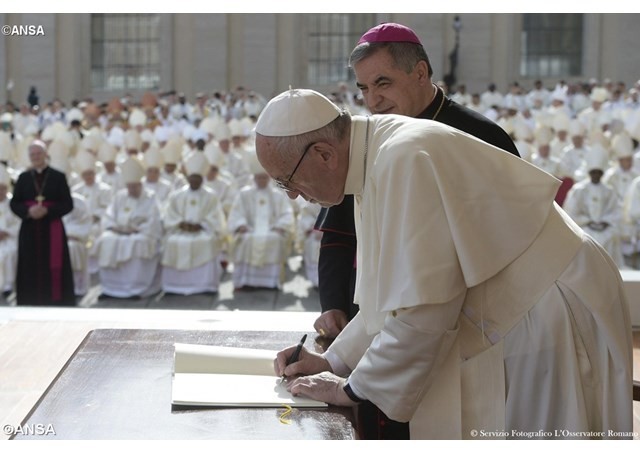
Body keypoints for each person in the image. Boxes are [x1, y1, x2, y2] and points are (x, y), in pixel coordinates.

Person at [256, 88, 632, 440]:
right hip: (521, 303)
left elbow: (424, 308)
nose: (291, 195)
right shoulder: (371, 153)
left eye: (286, 180)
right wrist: (333, 360)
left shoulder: (401, 159)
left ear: (324, 154)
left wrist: (351, 389)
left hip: (548, 303)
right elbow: (386, 298)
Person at [314, 23, 519, 343]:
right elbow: (338, 236)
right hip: (374, 318)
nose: (373, 100)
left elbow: (513, 236)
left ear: (420, 72)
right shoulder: (364, 142)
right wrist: (332, 305)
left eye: (383, 83)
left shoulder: (483, 137)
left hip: (466, 319)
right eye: (364, 88)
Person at [9, 140, 75, 306]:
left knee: (53, 265)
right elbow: (14, 203)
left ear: (46, 154)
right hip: (29, 229)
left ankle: (56, 300)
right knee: (29, 265)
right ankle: (28, 300)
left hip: (52, 228)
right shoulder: (23, 178)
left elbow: (68, 204)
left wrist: (48, 211)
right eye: (32, 155)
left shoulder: (58, 176)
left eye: (39, 153)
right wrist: (28, 211)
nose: (36, 157)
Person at [96, 157, 163, 298]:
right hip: (118, 231)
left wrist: (136, 230)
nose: (132, 189)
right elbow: (108, 216)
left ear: (140, 184)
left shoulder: (150, 198)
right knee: (105, 240)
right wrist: (116, 228)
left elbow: (154, 221)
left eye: (135, 186)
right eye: (129, 186)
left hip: (141, 233)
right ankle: (110, 288)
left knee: (137, 243)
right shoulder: (120, 196)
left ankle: (136, 288)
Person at [161, 152, 227, 295]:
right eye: (192, 178)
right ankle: (173, 286)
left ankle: (206, 285)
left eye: (198, 179)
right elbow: (170, 215)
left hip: (203, 231)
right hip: (180, 230)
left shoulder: (211, 196)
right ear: (188, 178)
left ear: (202, 179)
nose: (195, 181)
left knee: (206, 241)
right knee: (172, 241)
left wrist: (201, 224)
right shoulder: (177, 195)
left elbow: (215, 217)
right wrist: (181, 224)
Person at [227, 154, 294, 290]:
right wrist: (241, 225)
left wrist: (280, 226)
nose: (261, 180)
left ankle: (271, 282)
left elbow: (286, 214)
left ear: (268, 178)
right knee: (245, 239)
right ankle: (245, 281)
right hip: (249, 231)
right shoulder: (244, 194)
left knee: (275, 239)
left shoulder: (277, 195)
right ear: (254, 178)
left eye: (264, 178)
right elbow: (236, 213)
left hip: (272, 230)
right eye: (259, 178)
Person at [0, 165, 19, 297]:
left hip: (10, 238)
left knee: (9, 253)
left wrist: (6, 232)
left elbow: (18, 222)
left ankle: (8, 286)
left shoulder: (13, 203)